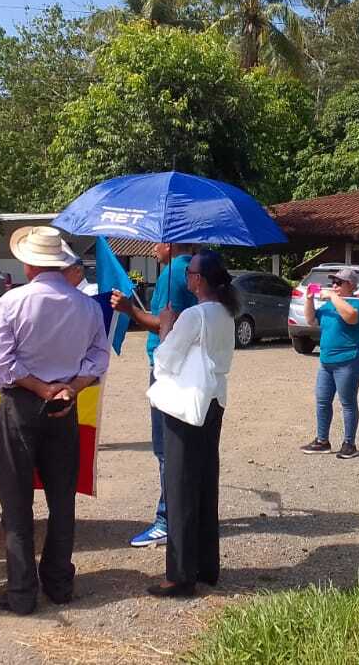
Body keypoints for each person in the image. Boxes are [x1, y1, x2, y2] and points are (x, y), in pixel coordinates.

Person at [0, 227, 109, 615]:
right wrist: (69, 388)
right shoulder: (87, 306)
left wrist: (41, 388)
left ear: (29, 265)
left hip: (21, 404)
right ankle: (58, 582)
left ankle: (22, 591)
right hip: (63, 406)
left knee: (16, 500)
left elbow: (1, 365)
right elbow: (98, 359)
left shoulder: (11, 302)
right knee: (62, 497)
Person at [147, 250, 237, 597]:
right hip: (213, 401)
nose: (186, 277)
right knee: (204, 481)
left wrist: (166, 326)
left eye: (190, 273)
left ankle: (181, 574)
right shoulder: (225, 313)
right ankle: (206, 565)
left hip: (187, 406)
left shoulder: (193, 315)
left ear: (198, 280)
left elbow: (164, 361)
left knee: (180, 485)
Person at [110, 242, 197, 548]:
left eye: (157, 242)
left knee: (166, 450)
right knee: (182, 448)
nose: (152, 249)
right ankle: (185, 515)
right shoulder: (192, 270)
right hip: (184, 367)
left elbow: (165, 324)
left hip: (167, 368)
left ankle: (167, 520)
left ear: (169, 244)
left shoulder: (172, 275)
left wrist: (129, 309)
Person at [299, 267, 359, 459]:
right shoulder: (329, 306)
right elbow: (311, 320)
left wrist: (332, 296)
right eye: (333, 282)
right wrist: (309, 299)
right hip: (326, 361)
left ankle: (349, 443)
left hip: (348, 360)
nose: (334, 285)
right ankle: (322, 441)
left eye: (338, 282)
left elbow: (351, 317)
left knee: (347, 402)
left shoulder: (357, 304)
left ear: (350, 285)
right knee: (322, 401)